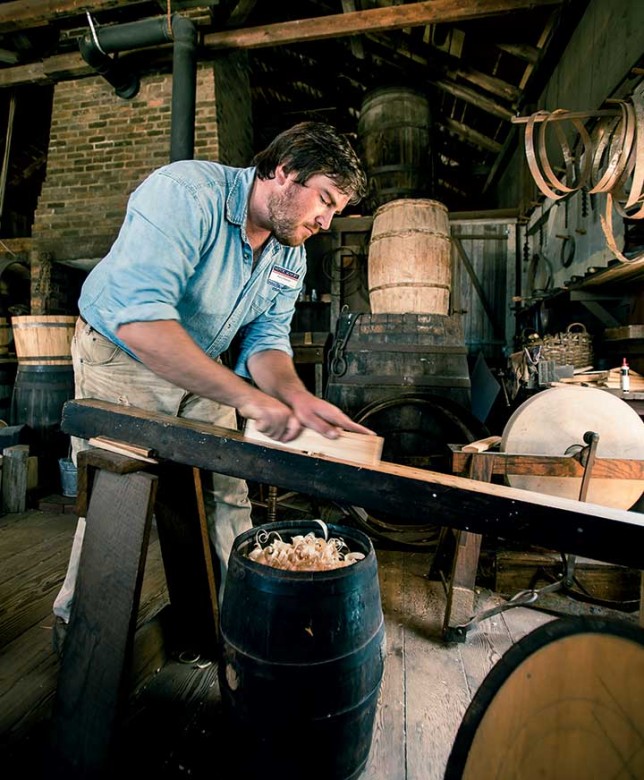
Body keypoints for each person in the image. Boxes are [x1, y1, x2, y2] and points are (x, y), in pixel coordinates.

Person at [52, 121, 372, 652]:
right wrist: (247, 397)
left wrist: (296, 396)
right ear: (285, 172)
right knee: (117, 495)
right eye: (325, 199)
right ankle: (81, 636)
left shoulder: (289, 250)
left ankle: (233, 625)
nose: (327, 219)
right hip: (124, 354)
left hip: (200, 361)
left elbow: (266, 340)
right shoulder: (184, 194)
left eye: (335, 208)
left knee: (227, 488)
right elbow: (143, 321)